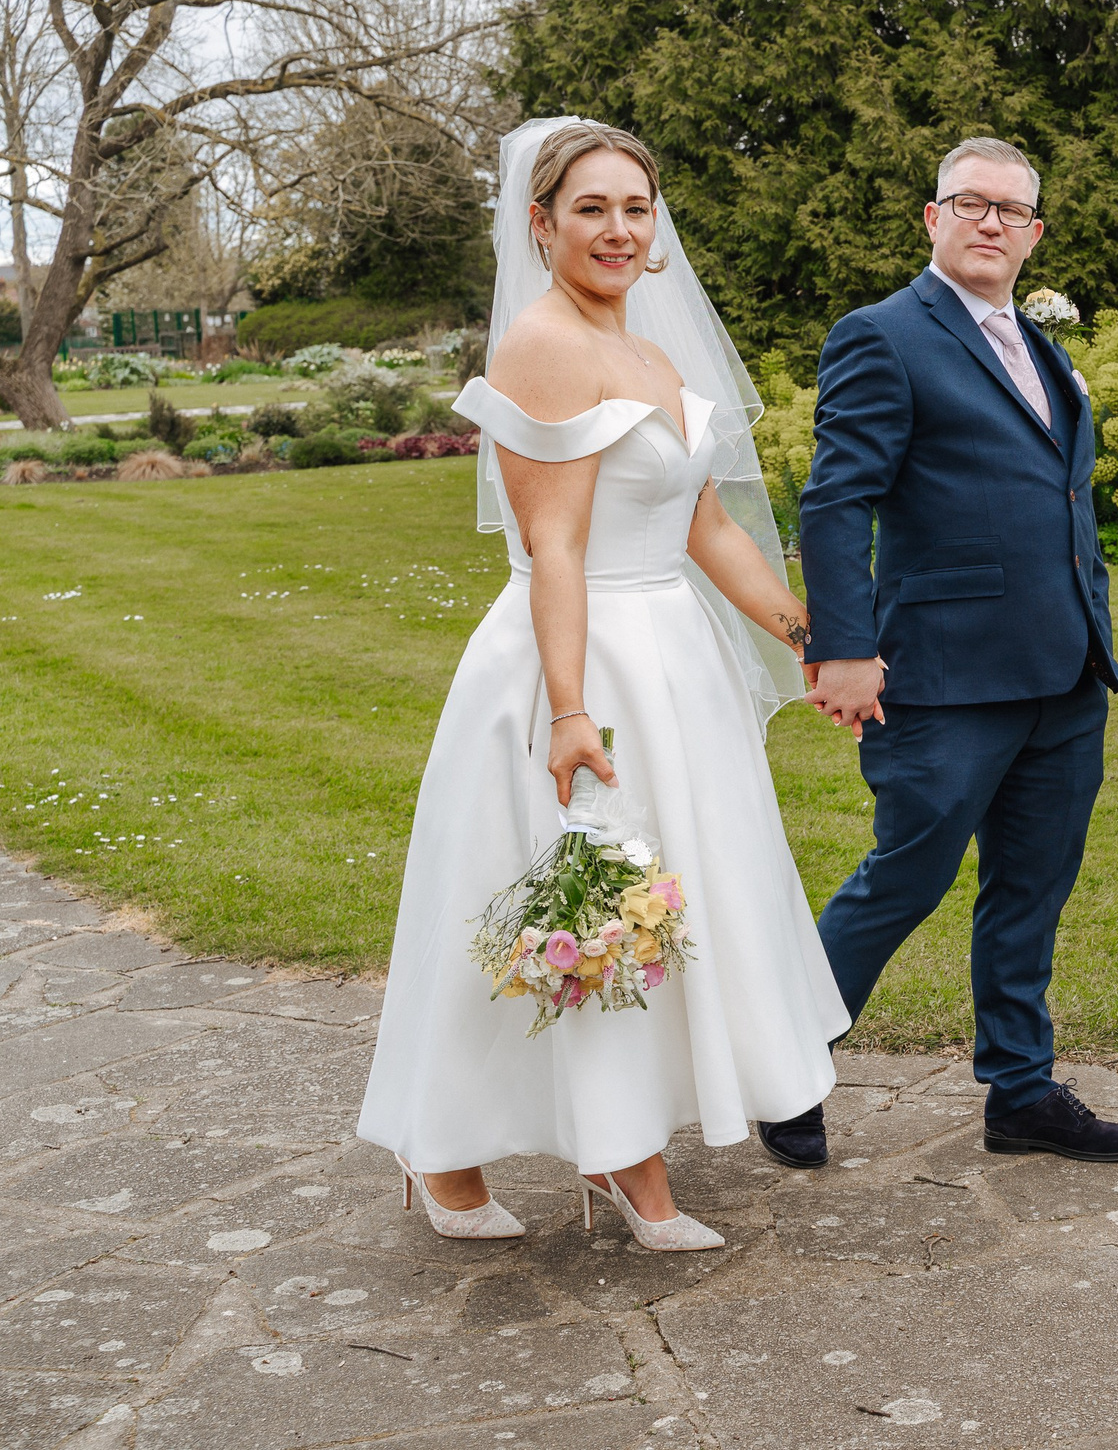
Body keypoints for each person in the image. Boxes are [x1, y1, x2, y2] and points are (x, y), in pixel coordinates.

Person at [357, 118, 847, 1249]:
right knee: (576, 907)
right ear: (541, 224)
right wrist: (570, 709)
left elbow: (707, 525)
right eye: (591, 209)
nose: (619, 229)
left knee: (659, 906)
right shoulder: (544, 344)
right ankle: (476, 1157)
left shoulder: (653, 355)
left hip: (673, 661)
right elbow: (560, 547)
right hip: (575, 662)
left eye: (636, 208)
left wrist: (803, 628)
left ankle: (618, 1156)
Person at [763, 137, 1118, 1168]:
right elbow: (837, 497)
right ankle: (785, 1066)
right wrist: (843, 647)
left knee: (1031, 886)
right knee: (904, 878)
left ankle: (1020, 1090)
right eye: (969, 203)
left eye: (1011, 211)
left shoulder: (1038, 345)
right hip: (944, 675)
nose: (990, 223)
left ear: (1032, 233)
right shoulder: (883, 335)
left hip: (1064, 673)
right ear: (931, 218)